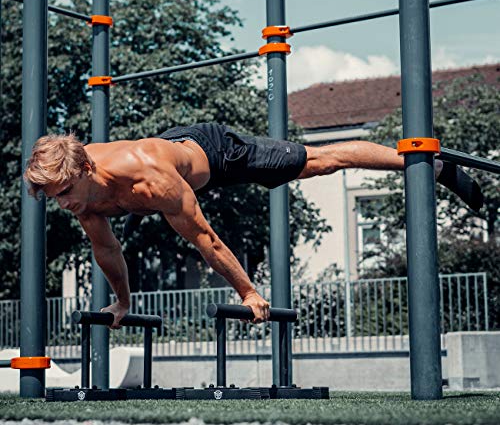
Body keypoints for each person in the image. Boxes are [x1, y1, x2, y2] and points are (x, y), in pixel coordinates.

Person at [23, 122, 483, 328]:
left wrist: (248, 290)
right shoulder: (82, 200)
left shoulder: (149, 180)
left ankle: (431, 165)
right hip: (173, 150)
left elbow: (206, 239)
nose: (60, 204)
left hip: (216, 151)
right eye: (52, 196)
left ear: (83, 171)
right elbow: (107, 251)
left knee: (320, 162)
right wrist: (121, 303)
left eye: (63, 192)